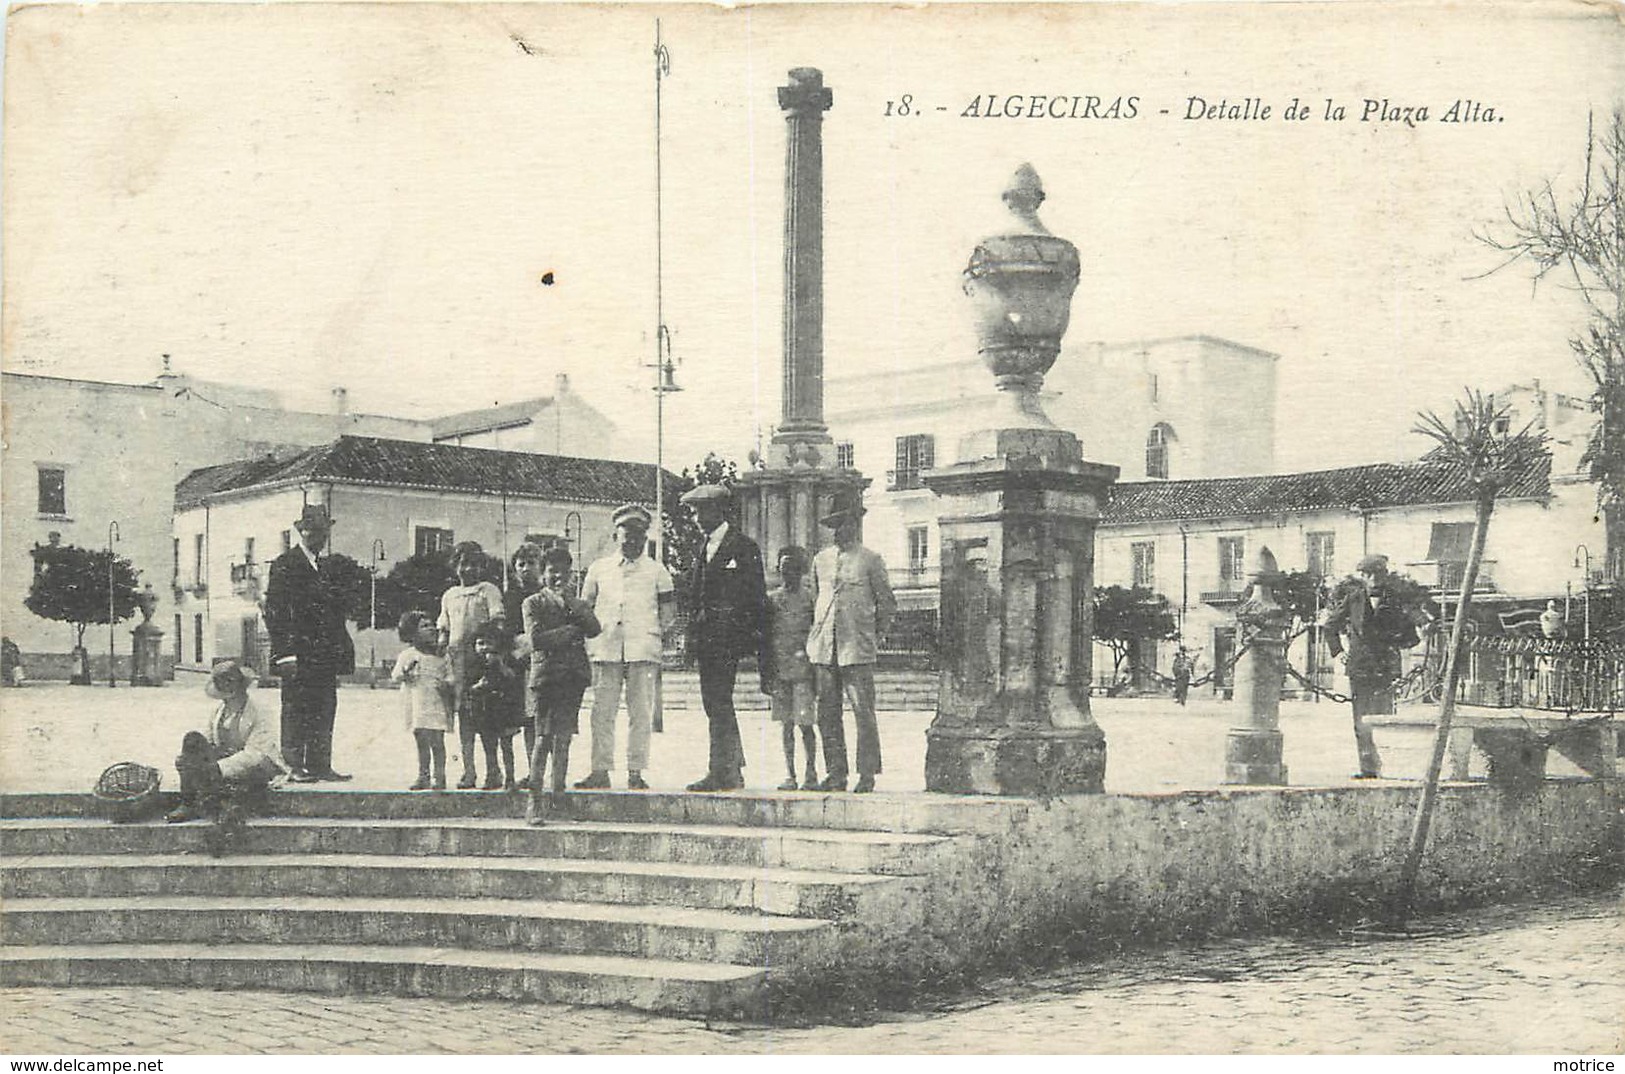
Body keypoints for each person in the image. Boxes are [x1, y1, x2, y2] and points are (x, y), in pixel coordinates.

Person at [577, 504, 675, 790]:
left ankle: (635, 771)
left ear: (646, 538)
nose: (632, 540)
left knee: (641, 713)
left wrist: (652, 634)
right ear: (614, 535)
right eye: (626, 534)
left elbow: (669, 614)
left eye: (639, 535)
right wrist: (592, 637)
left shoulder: (658, 571)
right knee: (602, 712)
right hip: (605, 648)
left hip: (642, 650)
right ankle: (600, 770)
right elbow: (585, 607)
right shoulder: (599, 569)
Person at [680, 484, 767, 793]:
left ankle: (721, 771)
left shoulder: (743, 546)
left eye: (703, 511)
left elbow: (755, 596)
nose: (697, 518)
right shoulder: (704, 547)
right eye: (694, 513)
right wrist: (691, 638)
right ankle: (731, 768)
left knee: (718, 702)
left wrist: (743, 637)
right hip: (706, 641)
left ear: (720, 510)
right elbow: (695, 598)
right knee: (715, 703)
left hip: (726, 641)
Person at [806, 500, 896, 794]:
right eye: (833, 525)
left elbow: (886, 603)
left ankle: (867, 773)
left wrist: (874, 636)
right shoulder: (820, 560)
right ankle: (835, 773)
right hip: (824, 647)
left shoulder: (870, 559)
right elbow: (816, 600)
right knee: (827, 713)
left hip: (856, 648)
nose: (837, 531)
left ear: (855, 524)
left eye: (842, 524)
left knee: (863, 712)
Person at [264, 503, 355, 783]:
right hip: (298, 654)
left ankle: (320, 765)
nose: (321, 536)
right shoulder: (285, 565)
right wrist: (285, 653)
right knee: (295, 709)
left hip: (324, 655)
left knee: (324, 707)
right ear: (301, 531)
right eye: (315, 530)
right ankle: (293, 766)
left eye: (324, 531)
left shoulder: (325, 567)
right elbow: (276, 612)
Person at [523, 546, 601, 824]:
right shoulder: (533, 603)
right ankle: (534, 800)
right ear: (543, 574)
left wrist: (573, 603)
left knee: (564, 738)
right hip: (546, 678)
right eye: (553, 571)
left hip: (573, 678)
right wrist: (569, 631)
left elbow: (594, 628)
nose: (559, 577)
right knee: (543, 738)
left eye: (564, 572)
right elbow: (536, 640)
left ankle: (558, 793)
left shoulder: (576, 603)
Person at [1324, 553, 1421, 779]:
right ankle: (1368, 768)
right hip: (1360, 666)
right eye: (1369, 574)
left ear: (1384, 575)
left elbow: (1411, 636)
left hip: (1385, 667)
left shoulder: (1395, 600)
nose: (1374, 578)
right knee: (1361, 720)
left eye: (1378, 573)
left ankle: (1387, 767)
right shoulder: (1353, 599)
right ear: (1362, 576)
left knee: (1384, 716)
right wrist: (1339, 652)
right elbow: (1329, 627)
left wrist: (1395, 643)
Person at [167, 660, 285, 823]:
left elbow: (255, 754)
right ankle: (189, 803)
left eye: (232, 694)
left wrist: (218, 767)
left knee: (230, 784)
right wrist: (189, 759)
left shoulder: (260, 712)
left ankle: (216, 803)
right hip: (221, 763)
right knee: (192, 739)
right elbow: (208, 740)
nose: (227, 699)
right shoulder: (219, 711)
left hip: (257, 766)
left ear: (241, 690)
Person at [437, 542, 504, 789]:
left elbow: (497, 621)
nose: (469, 569)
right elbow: (443, 628)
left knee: (486, 721)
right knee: (465, 720)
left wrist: (491, 653)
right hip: (458, 665)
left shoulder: (487, 590)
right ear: (455, 566)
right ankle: (469, 771)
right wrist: (442, 649)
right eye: (463, 564)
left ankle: (493, 771)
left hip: (482, 663)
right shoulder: (450, 595)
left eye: (475, 564)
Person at [761, 546, 818, 791]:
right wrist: (766, 672)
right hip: (780, 670)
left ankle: (811, 772)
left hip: (804, 670)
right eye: (783, 570)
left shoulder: (810, 599)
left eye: (793, 570)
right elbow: (764, 638)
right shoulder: (772, 600)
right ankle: (790, 774)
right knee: (785, 725)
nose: (788, 574)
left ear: (801, 571)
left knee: (805, 724)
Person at [391, 610, 453, 791]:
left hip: (437, 703)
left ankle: (439, 777)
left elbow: (451, 676)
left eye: (432, 625)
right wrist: (405, 672)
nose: (432, 629)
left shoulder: (442, 656)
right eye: (425, 626)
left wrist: (446, 684)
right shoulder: (408, 655)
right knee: (421, 742)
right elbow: (395, 677)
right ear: (412, 633)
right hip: (417, 704)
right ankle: (423, 775)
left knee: (438, 742)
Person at [503, 542, 547, 788]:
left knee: (536, 719)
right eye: (521, 564)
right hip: (517, 663)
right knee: (516, 719)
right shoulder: (510, 596)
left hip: (539, 661)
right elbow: (506, 629)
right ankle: (511, 774)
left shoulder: (544, 595)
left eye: (532, 564)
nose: (526, 569)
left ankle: (535, 772)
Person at [466, 620, 523, 791]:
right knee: (489, 746)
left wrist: (501, 665)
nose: (484, 648)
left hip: (504, 710)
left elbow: (514, 679)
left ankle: (511, 778)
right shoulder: (474, 664)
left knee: (507, 745)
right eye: (480, 643)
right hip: (485, 711)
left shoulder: (507, 660)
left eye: (489, 643)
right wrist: (478, 686)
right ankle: (493, 775)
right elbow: (469, 687)